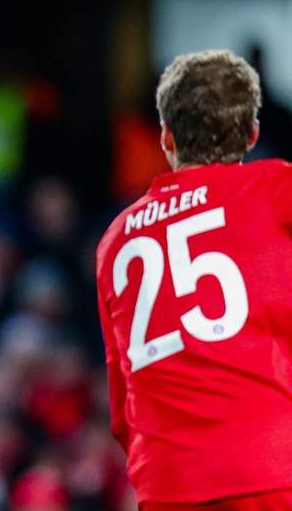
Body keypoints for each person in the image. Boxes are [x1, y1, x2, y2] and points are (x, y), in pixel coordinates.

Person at [96, 50, 292, 510]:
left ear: (165, 136)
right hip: (270, 472)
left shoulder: (114, 242)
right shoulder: (276, 190)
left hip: (168, 484)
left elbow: (122, 407)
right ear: (252, 134)